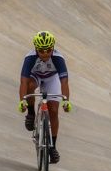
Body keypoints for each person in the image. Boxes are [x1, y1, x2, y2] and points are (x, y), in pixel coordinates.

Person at [17, 31, 72, 164]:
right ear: (36, 49)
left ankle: (52, 147)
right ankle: (31, 113)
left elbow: (64, 82)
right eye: (42, 51)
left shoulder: (58, 58)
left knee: (53, 110)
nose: (45, 53)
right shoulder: (29, 58)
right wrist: (22, 100)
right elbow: (23, 82)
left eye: (48, 50)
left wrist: (66, 101)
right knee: (30, 86)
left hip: (51, 78)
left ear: (53, 48)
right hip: (35, 76)